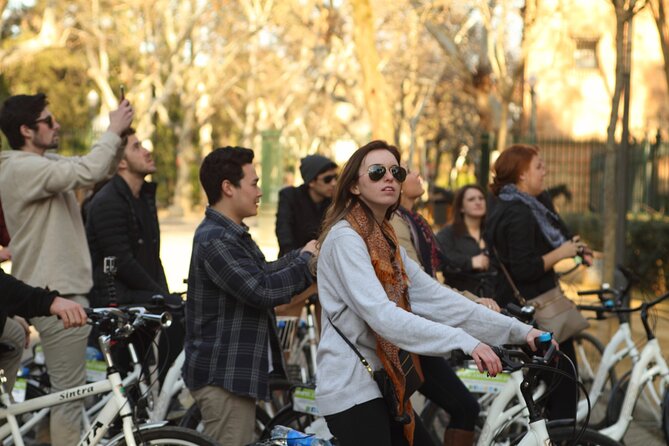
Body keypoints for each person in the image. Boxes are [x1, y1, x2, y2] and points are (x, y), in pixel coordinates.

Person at [315, 140, 547, 446]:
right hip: (352, 390)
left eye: (396, 171)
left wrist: (521, 331)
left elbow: (438, 299)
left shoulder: (386, 240)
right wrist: (465, 342)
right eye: (376, 172)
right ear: (354, 187)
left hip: (385, 385)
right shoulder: (346, 239)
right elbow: (383, 316)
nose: (389, 178)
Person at [0, 93, 134, 445]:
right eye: (49, 120)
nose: (57, 124)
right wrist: (112, 129)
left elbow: (97, 169)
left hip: (53, 290)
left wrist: (118, 136)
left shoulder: (41, 165)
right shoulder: (24, 168)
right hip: (55, 293)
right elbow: (88, 169)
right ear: (26, 130)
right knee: (69, 397)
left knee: (63, 393)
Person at [183, 146, 318, 446]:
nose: (259, 191)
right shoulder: (216, 238)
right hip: (222, 379)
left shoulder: (231, 233)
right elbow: (261, 290)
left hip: (233, 377)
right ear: (228, 187)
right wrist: (305, 265)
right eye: (254, 183)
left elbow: (263, 273)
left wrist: (301, 254)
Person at [485, 144, 592, 420]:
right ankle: (558, 437)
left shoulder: (517, 204)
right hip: (533, 311)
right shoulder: (518, 212)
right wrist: (561, 253)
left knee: (552, 386)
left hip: (528, 310)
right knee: (564, 387)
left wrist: (574, 248)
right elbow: (523, 268)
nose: (545, 172)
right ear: (522, 174)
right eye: (539, 167)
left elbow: (556, 228)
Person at [390, 170, 483, 445]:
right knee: (464, 407)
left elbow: (434, 278)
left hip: (423, 328)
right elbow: (420, 286)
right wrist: (474, 302)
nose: (417, 174)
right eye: (405, 171)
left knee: (465, 407)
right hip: (411, 333)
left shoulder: (415, 221)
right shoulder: (396, 224)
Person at [85, 127, 182, 382]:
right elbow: (122, 262)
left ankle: (161, 405)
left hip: (141, 298)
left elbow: (152, 256)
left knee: (146, 378)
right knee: (125, 384)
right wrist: (161, 295)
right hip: (118, 304)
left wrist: (164, 292)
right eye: (137, 147)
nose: (147, 152)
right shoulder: (108, 201)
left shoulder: (143, 197)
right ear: (121, 163)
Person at [0, 267, 87, 393]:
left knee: (15, 333)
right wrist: (50, 301)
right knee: (69, 393)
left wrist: (8, 314)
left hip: (58, 288)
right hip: (56, 288)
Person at [437, 185, 496, 297]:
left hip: (493, 301)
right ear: (461, 207)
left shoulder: (491, 232)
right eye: (471, 199)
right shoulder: (448, 233)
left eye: (481, 198)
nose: (478, 202)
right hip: (461, 299)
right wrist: (470, 262)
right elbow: (441, 261)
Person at [275, 154, 337, 257]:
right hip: (293, 261)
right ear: (311, 182)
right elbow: (284, 234)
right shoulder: (290, 197)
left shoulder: (334, 201)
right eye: (327, 179)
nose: (334, 183)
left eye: (336, 177)